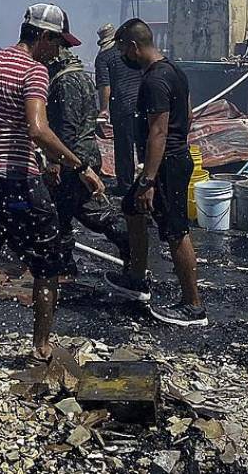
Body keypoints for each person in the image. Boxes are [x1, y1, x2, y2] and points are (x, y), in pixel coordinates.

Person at [0, 3, 105, 386]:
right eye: (58, 43)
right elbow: (37, 129)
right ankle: (42, 346)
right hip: (18, 178)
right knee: (48, 263)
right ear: (44, 37)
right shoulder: (36, 71)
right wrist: (78, 166)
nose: (59, 52)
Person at [103, 18, 207, 326]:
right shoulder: (173, 70)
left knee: (175, 230)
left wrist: (148, 180)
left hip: (167, 164)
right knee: (131, 208)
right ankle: (136, 278)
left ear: (134, 47)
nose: (123, 56)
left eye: (123, 49)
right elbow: (186, 114)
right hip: (169, 160)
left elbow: (158, 133)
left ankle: (193, 306)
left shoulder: (154, 80)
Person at [44, 43, 129, 263]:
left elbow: (67, 128)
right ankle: (63, 264)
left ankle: (130, 244)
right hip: (83, 156)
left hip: (74, 160)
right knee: (62, 214)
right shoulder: (80, 77)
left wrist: (55, 162)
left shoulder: (65, 83)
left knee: (87, 212)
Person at [94, 22, 144, 194]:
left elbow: (104, 86)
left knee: (124, 148)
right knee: (144, 143)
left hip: (122, 106)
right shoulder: (131, 52)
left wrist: (103, 109)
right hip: (142, 104)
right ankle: (147, 183)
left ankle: (126, 185)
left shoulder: (103, 58)